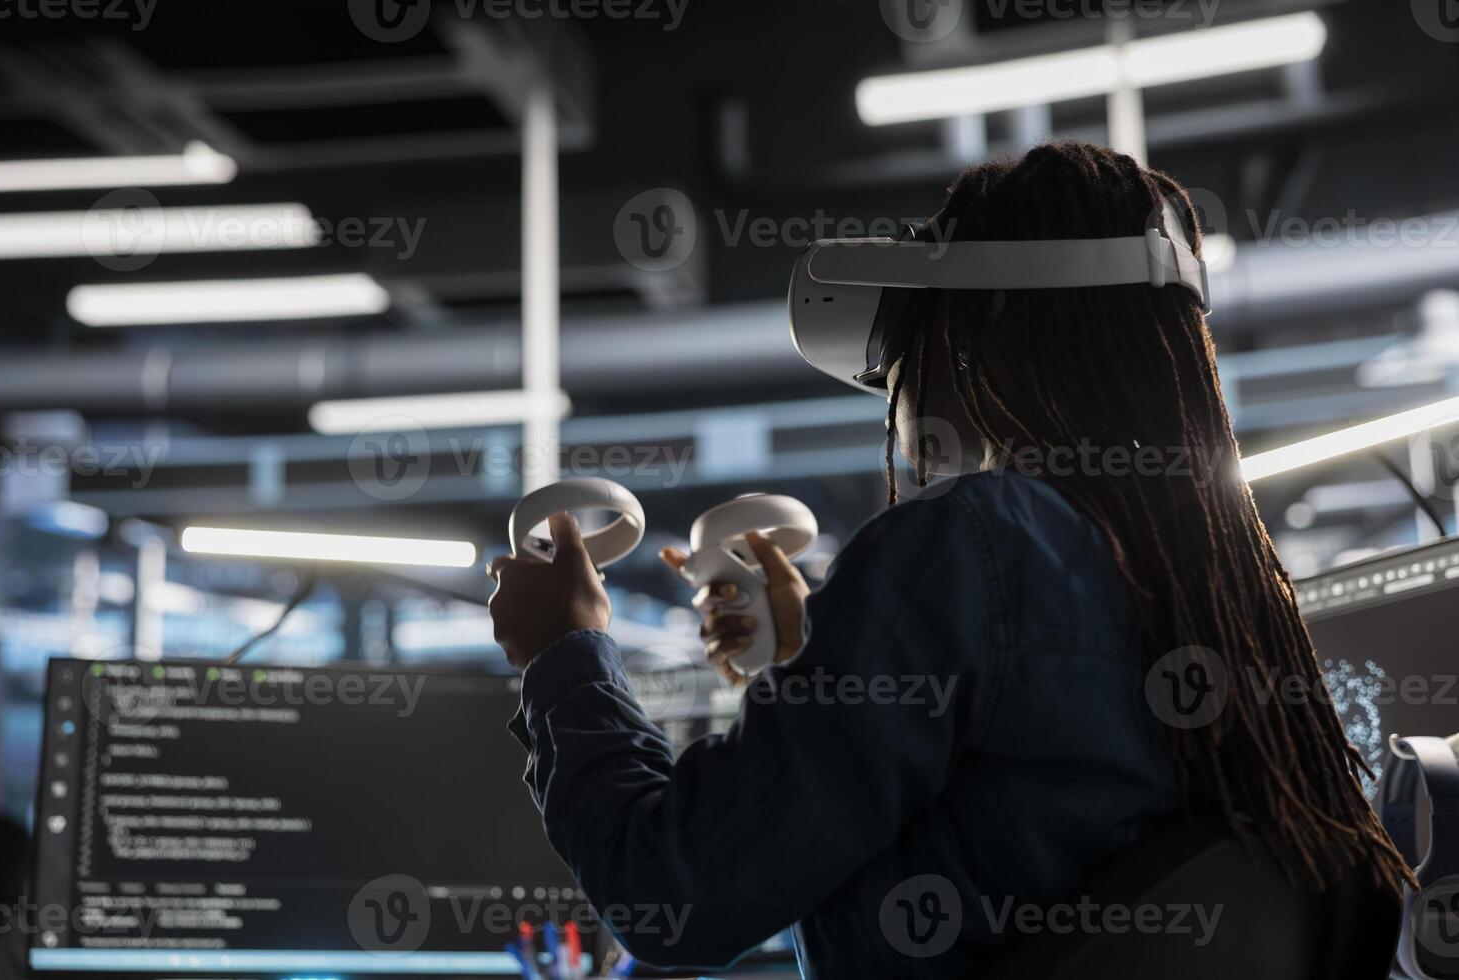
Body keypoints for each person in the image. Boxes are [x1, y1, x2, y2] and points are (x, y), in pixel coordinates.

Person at [487, 141, 1412, 977]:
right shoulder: (1227, 593)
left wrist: (562, 654)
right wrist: (818, 671)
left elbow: (675, 893)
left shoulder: (970, 540)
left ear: (989, 317)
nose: (894, 403)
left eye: (902, 354)